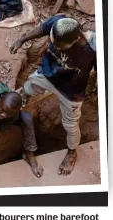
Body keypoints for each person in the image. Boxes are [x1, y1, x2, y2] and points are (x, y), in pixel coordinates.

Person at [10, 15, 96, 176]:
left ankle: (72, 152)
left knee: (70, 125)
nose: (55, 46)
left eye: (60, 46)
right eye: (53, 42)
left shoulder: (93, 49)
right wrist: (22, 40)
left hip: (71, 92)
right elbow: (42, 29)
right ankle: (24, 97)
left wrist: (92, 89)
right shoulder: (60, 23)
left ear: (76, 39)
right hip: (47, 74)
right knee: (29, 86)